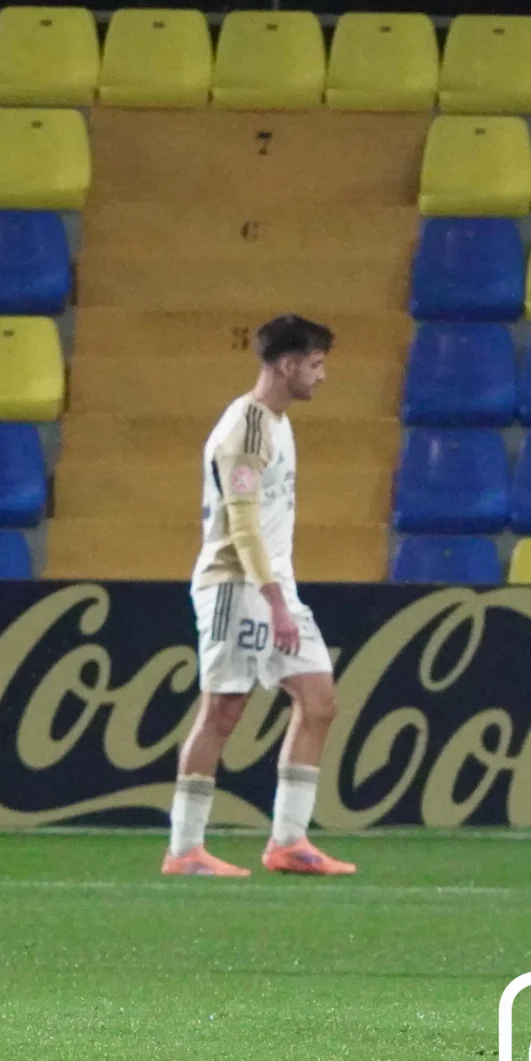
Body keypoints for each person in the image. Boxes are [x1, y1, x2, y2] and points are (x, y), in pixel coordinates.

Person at [161, 314, 359, 879]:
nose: (322, 376)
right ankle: (183, 848)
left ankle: (289, 842)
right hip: (235, 585)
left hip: (275, 587)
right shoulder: (245, 432)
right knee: (224, 708)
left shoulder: (277, 423)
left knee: (319, 701)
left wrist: (280, 594)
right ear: (287, 364)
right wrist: (273, 601)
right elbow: (242, 527)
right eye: (316, 365)